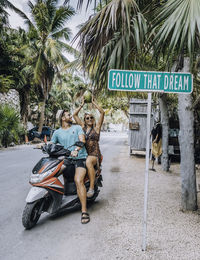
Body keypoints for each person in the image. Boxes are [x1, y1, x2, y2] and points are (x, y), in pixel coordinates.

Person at [51, 109, 90, 224]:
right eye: (68, 115)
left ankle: (84, 211)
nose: (71, 116)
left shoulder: (77, 128)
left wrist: (76, 150)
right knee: (51, 174)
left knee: (78, 181)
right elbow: (52, 144)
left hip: (80, 158)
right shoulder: (57, 133)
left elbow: (82, 140)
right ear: (63, 118)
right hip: (67, 160)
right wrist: (43, 146)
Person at [73, 96, 105, 198]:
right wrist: (82, 105)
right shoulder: (82, 127)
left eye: (91, 117)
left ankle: (91, 188)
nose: (90, 119)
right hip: (85, 154)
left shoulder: (97, 128)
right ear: (85, 120)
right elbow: (74, 114)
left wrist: (93, 103)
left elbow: (102, 113)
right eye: (87, 118)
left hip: (94, 155)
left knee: (88, 162)